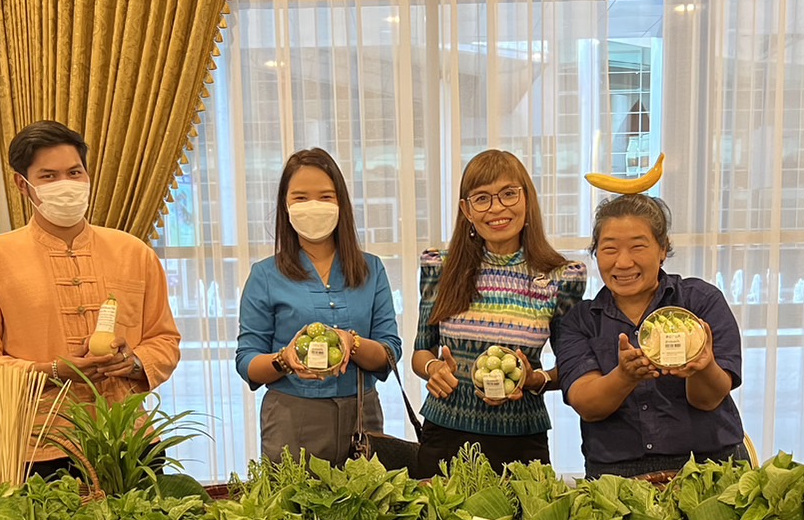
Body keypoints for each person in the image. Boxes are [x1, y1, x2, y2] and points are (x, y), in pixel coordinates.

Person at [0, 121, 182, 466]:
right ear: (23, 184)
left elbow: (164, 341)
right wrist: (53, 370)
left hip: (130, 440)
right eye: (49, 176)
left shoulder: (133, 252)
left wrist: (132, 362)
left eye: (75, 173)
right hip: (38, 447)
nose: (67, 185)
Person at [410, 149, 587, 477]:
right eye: (482, 198)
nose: (497, 208)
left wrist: (535, 379)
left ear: (527, 199)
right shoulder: (441, 267)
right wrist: (433, 369)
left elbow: (572, 367)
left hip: (521, 442)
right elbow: (421, 352)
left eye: (508, 194)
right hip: (445, 435)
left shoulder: (561, 277)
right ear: (466, 209)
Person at [556, 193, 745, 477]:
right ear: (595, 253)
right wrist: (625, 376)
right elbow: (588, 405)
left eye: (638, 247)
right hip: (616, 475)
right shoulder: (580, 320)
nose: (623, 262)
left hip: (709, 465)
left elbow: (707, 400)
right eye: (609, 249)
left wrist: (702, 367)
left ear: (663, 249)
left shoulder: (700, 301)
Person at [235, 148, 403, 463]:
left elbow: (389, 353)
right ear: (285, 207)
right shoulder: (265, 275)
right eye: (300, 198)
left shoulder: (372, 269)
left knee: (367, 508)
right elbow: (247, 362)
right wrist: (284, 360)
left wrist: (352, 343)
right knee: (291, 510)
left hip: (361, 417)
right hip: (290, 417)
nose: (313, 207)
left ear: (342, 203)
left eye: (325, 197)